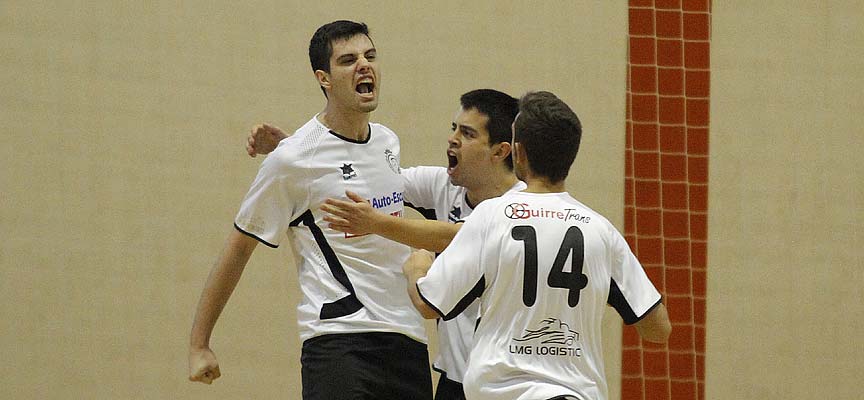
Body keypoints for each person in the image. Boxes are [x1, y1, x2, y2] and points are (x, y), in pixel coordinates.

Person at [187, 20, 432, 400]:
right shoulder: (292, 159)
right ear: (324, 79)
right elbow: (238, 248)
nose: (364, 66)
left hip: (407, 341)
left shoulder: (387, 141)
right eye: (348, 60)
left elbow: (336, 174)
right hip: (339, 345)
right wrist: (199, 343)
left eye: (370, 56)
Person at [247, 89, 524, 400]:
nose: (453, 139)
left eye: (468, 133)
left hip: (506, 385)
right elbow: (361, 180)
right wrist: (297, 157)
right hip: (455, 382)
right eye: (454, 128)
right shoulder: (443, 187)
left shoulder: (521, 210)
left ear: (500, 152)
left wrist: (390, 240)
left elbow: (461, 236)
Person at [403, 91, 672, 400]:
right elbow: (658, 329)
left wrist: (417, 268)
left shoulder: (492, 216)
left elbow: (428, 304)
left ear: (518, 152)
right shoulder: (602, 231)